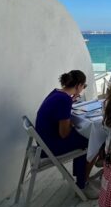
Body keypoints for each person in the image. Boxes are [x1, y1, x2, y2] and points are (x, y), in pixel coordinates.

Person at [35, 70, 99, 199]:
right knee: (92, 140)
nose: (82, 89)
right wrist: (71, 124)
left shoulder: (57, 93)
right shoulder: (64, 100)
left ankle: (80, 175)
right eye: (83, 86)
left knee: (84, 137)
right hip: (50, 147)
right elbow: (64, 134)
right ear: (79, 85)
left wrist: (70, 103)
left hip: (43, 141)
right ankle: (82, 183)